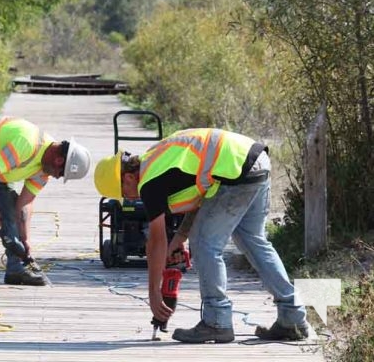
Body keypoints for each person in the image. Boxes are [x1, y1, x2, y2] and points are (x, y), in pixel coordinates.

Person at [94, 128, 309, 343]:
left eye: (123, 192)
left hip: (236, 172)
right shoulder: (157, 160)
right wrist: (179, 239)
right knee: (252, 240)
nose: (128, 198)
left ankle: (217, 321)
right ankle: (292, 316)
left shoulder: (149, 182)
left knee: (205, 244)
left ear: (129, 176)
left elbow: (156, 241)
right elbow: (203, 197)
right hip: (253, 159)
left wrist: (153, 293)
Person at [0, 115, 91, 288]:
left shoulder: (44, 172)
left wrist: (24, 239)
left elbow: (23, 205)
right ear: (59, 160)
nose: (58, 177)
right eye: (61, 174)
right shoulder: (28, 144)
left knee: (10, 207)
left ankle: (16, 269)